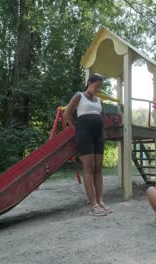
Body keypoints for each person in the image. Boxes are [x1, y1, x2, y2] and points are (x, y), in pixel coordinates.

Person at [64, 74, 112, 216]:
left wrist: (102, 131)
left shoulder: (99, 100)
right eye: (96, 86)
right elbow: (67, 113)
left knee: (98, 168)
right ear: (89, 83)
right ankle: (93, 204)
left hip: (98, 136)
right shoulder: (79, 96)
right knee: (89, 168)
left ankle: (100, 201)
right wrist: (77, 128)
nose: (98, 89)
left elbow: (102, 117)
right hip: (84, 134)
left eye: (100, 87)